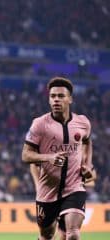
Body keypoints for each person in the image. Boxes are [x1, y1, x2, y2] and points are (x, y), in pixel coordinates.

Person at [22, 77, 96, 240]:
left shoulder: (82, 123)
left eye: (61, 96)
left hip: (74, 187)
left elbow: (87, 141)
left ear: (70, 99)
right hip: (47, 191)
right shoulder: (39, 124)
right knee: (46, 235)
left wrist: (88, 164)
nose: (56, 99)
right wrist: (48, 157)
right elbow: (26, 155)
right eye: (53, 96)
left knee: (73, 234)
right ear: (49, 99)